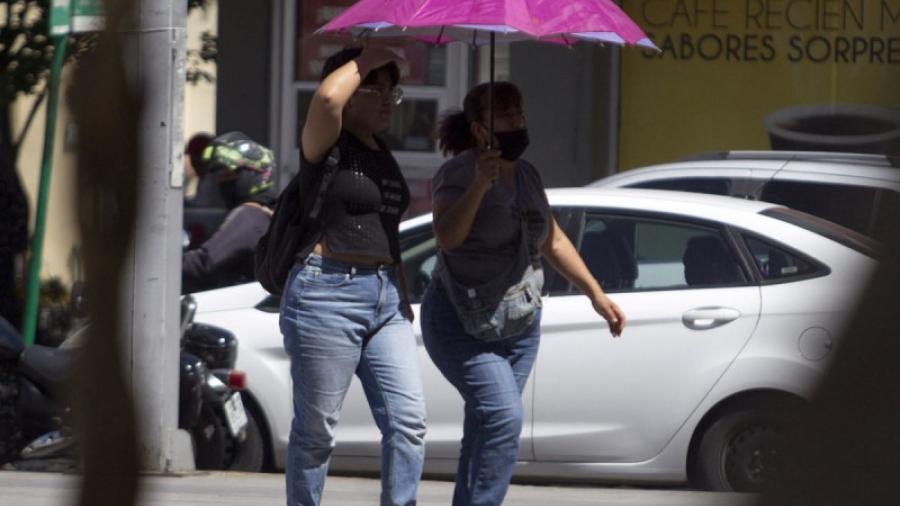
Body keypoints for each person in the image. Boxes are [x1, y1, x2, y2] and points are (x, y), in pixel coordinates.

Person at [421, 81, 627, 506]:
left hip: (519, 323)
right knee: (503, 417)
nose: (518, 119)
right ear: (480, 130)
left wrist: (596, 294)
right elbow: (447, 236)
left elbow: (551, 239)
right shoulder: (458, 173)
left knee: (486, 425)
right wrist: (480, 185)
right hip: (460, 321)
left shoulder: (528, 174)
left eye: (519, 110)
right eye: (506, 113)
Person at [279, 46, 426, 506]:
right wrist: (370, 54)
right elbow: (326, 100)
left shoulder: (382, 151)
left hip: (385, 299)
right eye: (374, 89)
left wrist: (401, 294)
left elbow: (387, 230)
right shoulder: (325, 143)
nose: (387, 100)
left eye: (392, 91)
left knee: (408, 422)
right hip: (326, 292)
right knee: (317, 432)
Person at [181, 132, 278, 293]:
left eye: (227, 173)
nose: (220, 181)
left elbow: (204, 263)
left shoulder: (250, 215)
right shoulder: (270, 212)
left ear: (251, 173)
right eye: (218, 175)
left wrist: (160, 266)